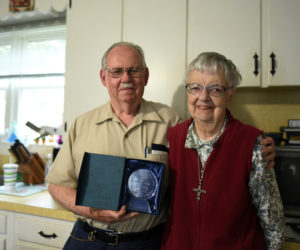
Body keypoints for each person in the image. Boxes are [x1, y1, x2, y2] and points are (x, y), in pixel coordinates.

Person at [47, 42, 276, 250]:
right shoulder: (82, 124)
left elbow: (211, 146)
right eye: (116, 72)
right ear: (103, 77)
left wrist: (256, 147)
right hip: (87, 240)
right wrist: (92, 212)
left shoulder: (171, 123)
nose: (125, 78)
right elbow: (57, 185)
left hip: (145, 242)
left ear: (145, 76)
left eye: (134, 70)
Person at [161, 52, 284, 250]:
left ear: (230, 93)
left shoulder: (251, 142)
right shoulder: (172, 138)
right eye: (195, 88)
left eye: (215, 89)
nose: (203, 97)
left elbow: (272, 217)